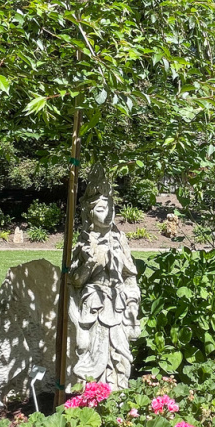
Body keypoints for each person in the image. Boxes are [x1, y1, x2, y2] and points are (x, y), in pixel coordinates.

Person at [66, 165, 141, 389]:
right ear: (89, 213)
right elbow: (75, 282)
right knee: (93, 357)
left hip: (118, 307)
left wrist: (133, 307)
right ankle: (94, 396)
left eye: (110, 208)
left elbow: (130, 277)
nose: (107, 213)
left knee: (121, 356)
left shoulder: (120, 240)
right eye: (100, 209)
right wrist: (90, 263)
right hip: (94, 308)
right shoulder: (83, 243)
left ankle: (118, 396)